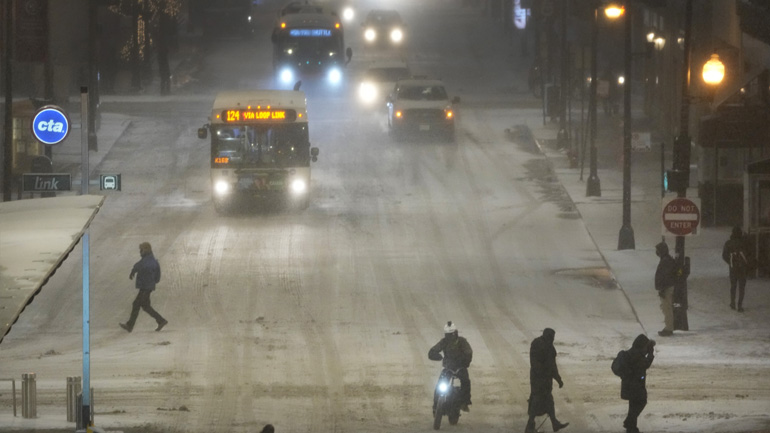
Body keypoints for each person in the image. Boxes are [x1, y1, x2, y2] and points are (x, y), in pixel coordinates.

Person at [525, 328, 569, 433]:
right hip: (538, 380)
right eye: (551, 337)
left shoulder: (550, 348)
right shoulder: (537, 344)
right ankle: (530, 426)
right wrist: (543, 374)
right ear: (546, 335)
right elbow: (535, 363)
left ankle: (554, 423)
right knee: (536, 401)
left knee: (549, 401)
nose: (552, 339)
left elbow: (553, 366)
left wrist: (558, 379)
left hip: (545, 380)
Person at [120, 242, 168, 332]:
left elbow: (140, 266)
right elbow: (156, 276)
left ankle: (130, 325)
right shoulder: (149, 260)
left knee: (136, 304)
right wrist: (133, 271)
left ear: (146, 250)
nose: (140, 252)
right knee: (145, 306)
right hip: (146, 287)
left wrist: (134, 271)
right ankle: (161, 320)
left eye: (141, 250)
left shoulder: (149, 261)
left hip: (146, 287)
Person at [428, 321, 473, 412]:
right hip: (448, 368)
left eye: (450, 334)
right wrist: (436, 356)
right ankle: (435, 406)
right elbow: (433, 351)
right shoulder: (444, 342)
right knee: (439, 386)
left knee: (466, 382)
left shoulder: (462, 341)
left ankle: (465, 402)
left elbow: (469, 352)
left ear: (455, 333)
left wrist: (464, 362)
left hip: (461, 368)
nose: (449, 337)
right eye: (447, 335)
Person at [620, 334, 656, 433]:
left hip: (629, 384)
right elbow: (646, 364)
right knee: (641, 402)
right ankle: (629, 422)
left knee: (633, 405)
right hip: (635, 385)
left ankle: (631, 427)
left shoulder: (632, 352)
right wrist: (651, 354)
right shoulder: (637, 355)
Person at [722, 225, 749, 312]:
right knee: (742, 287)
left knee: (733, 286)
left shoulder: (728, 243)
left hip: (733, 268)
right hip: (742, 268)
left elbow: (724, 255)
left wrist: (730, 262)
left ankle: (732, 303)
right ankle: (740, 305)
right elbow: (749, 254)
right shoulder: (744, 243)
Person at [654, 241, 677, 337]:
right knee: (666, 307)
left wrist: (662, 289)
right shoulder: (666, 260)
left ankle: (669, 328)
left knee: (667, 308)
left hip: (666, 288)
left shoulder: (665, 261)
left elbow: (665, 276)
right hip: (666, 287)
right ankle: (668, 326)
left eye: (657, 250)